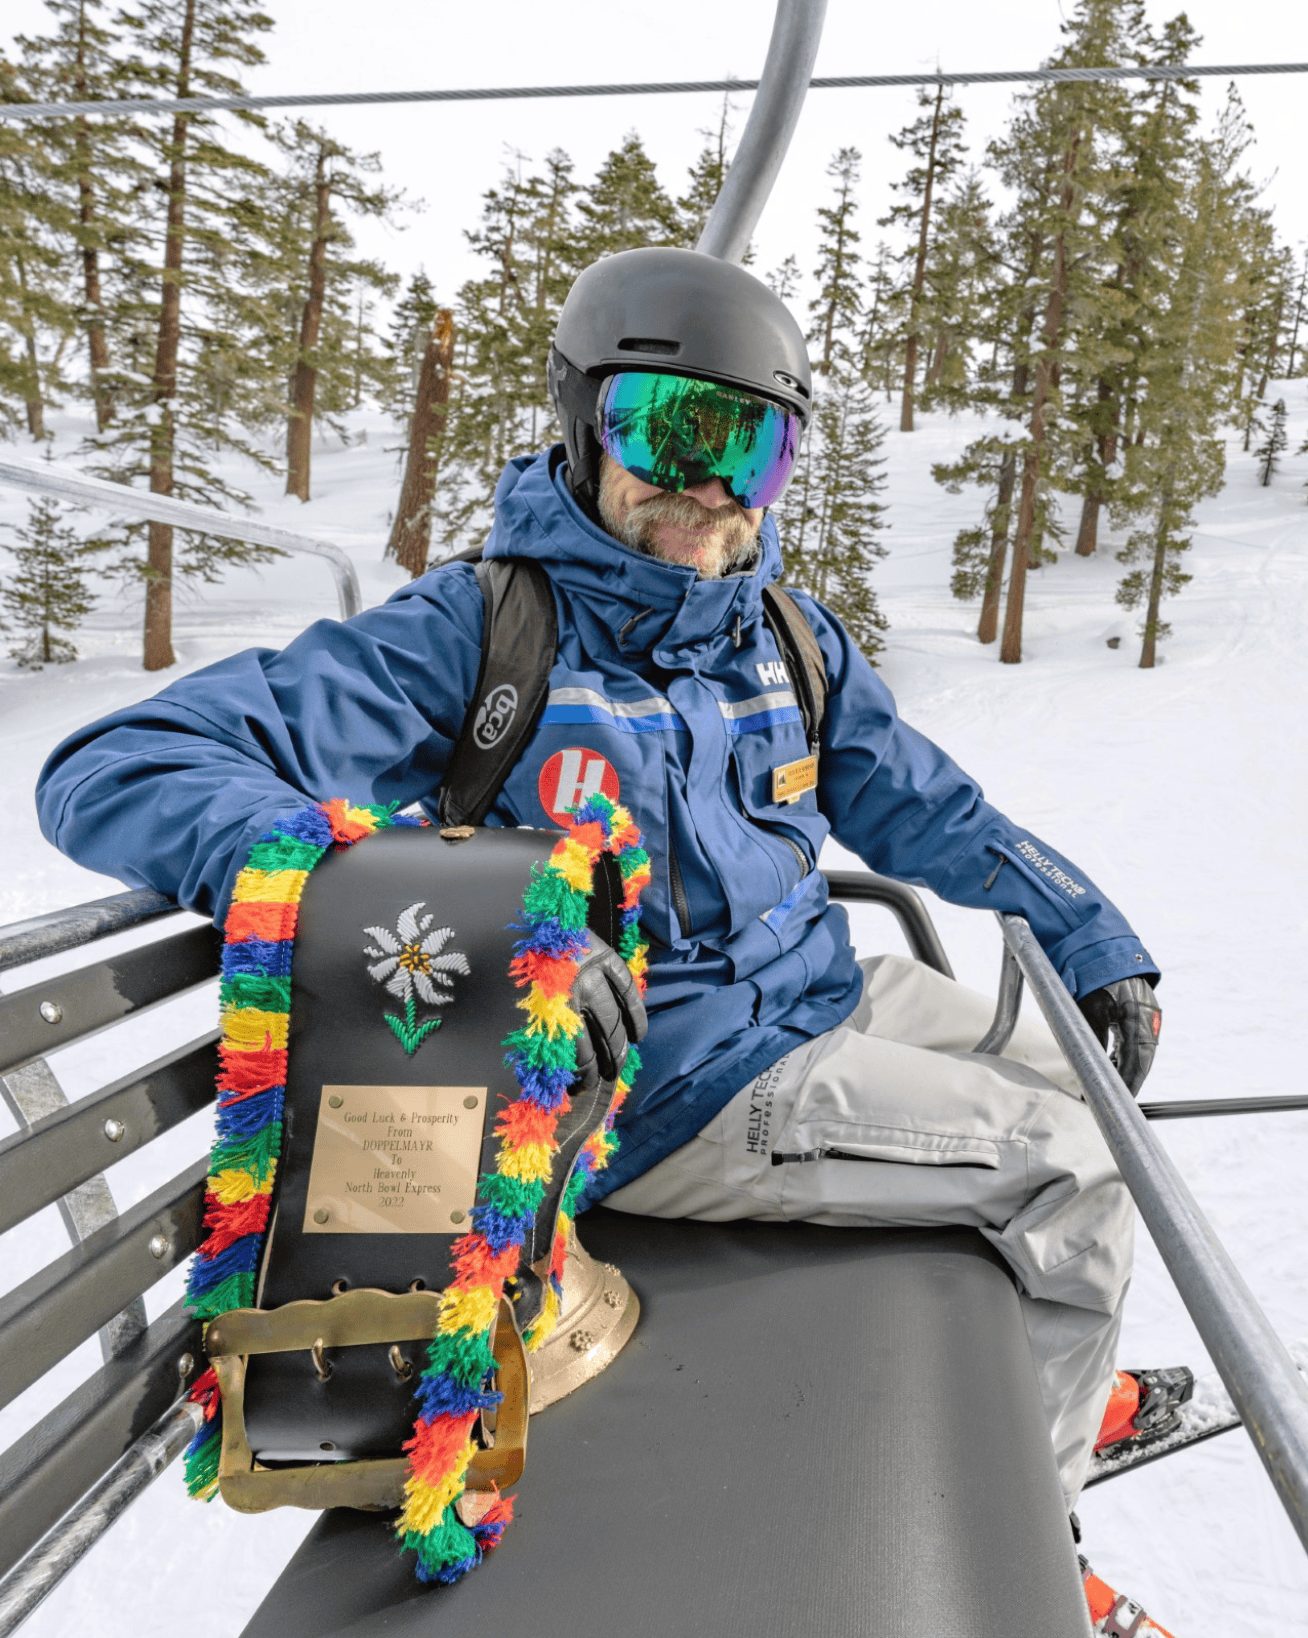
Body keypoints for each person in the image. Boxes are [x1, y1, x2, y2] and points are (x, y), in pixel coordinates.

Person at [36, 247, 1175, 1634]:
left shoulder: (789, 642)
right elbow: (121, 763)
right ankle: (1036, 1543)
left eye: (746, 447)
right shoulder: (485, 632)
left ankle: (1054, 1359)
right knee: (1078, 1172)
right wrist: (461, 904)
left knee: (1083, 1082)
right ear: (584, 425)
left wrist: (1081, 921)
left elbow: (931, 806)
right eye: (669, 428)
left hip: (814, 1001)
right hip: (672, 1081)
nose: (705, 487)